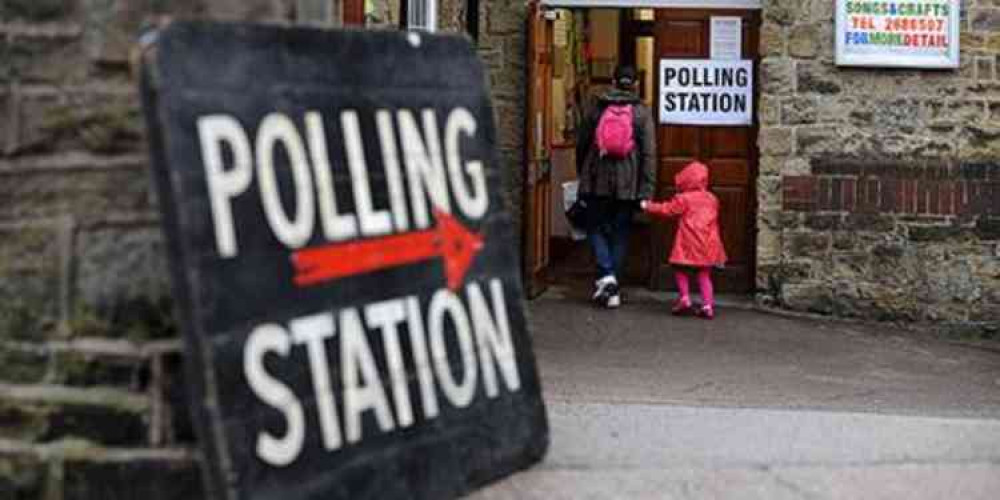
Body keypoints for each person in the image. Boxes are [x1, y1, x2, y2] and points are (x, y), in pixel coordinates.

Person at [575, 65, 656, 308]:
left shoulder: (597, 106)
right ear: (635, 84)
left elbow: (582, 142)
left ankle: (607, 277)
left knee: (594, 226)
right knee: (621, 232)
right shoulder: (641, 112)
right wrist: (646, 190)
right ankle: (612, 281)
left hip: (596, 178)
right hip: (627, 183)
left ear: (612, 81)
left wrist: (582, 173)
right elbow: (649, 153)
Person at [641, 161, 726, 319]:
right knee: (704, 274)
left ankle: (685, 298)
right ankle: (707, 305)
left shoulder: (684, 199)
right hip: (708, 242)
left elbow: (667, 210)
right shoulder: (712, 199)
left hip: (689, 242)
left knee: (680, 270)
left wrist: (648, 206)